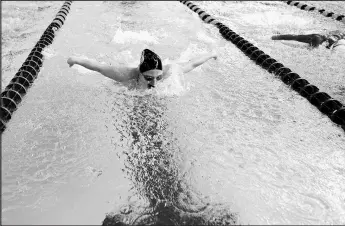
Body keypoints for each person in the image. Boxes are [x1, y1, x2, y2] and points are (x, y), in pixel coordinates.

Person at [67, 49, 217, 89]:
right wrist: (76, 60)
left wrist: (211, 54)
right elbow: (99, 67)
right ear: (139, 73)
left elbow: (192, 64)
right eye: (149, 78)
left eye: (158, 78)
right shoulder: (124, 75)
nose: (154, 84)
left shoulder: (169, 72)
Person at [271, 30, 345, 50]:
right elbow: (332, 39)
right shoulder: (318, 39)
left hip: (316, 37)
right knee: (296, 38)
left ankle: (276, 36)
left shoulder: (337, 32)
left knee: (296, 37)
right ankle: (275, 37)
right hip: (317, 39)